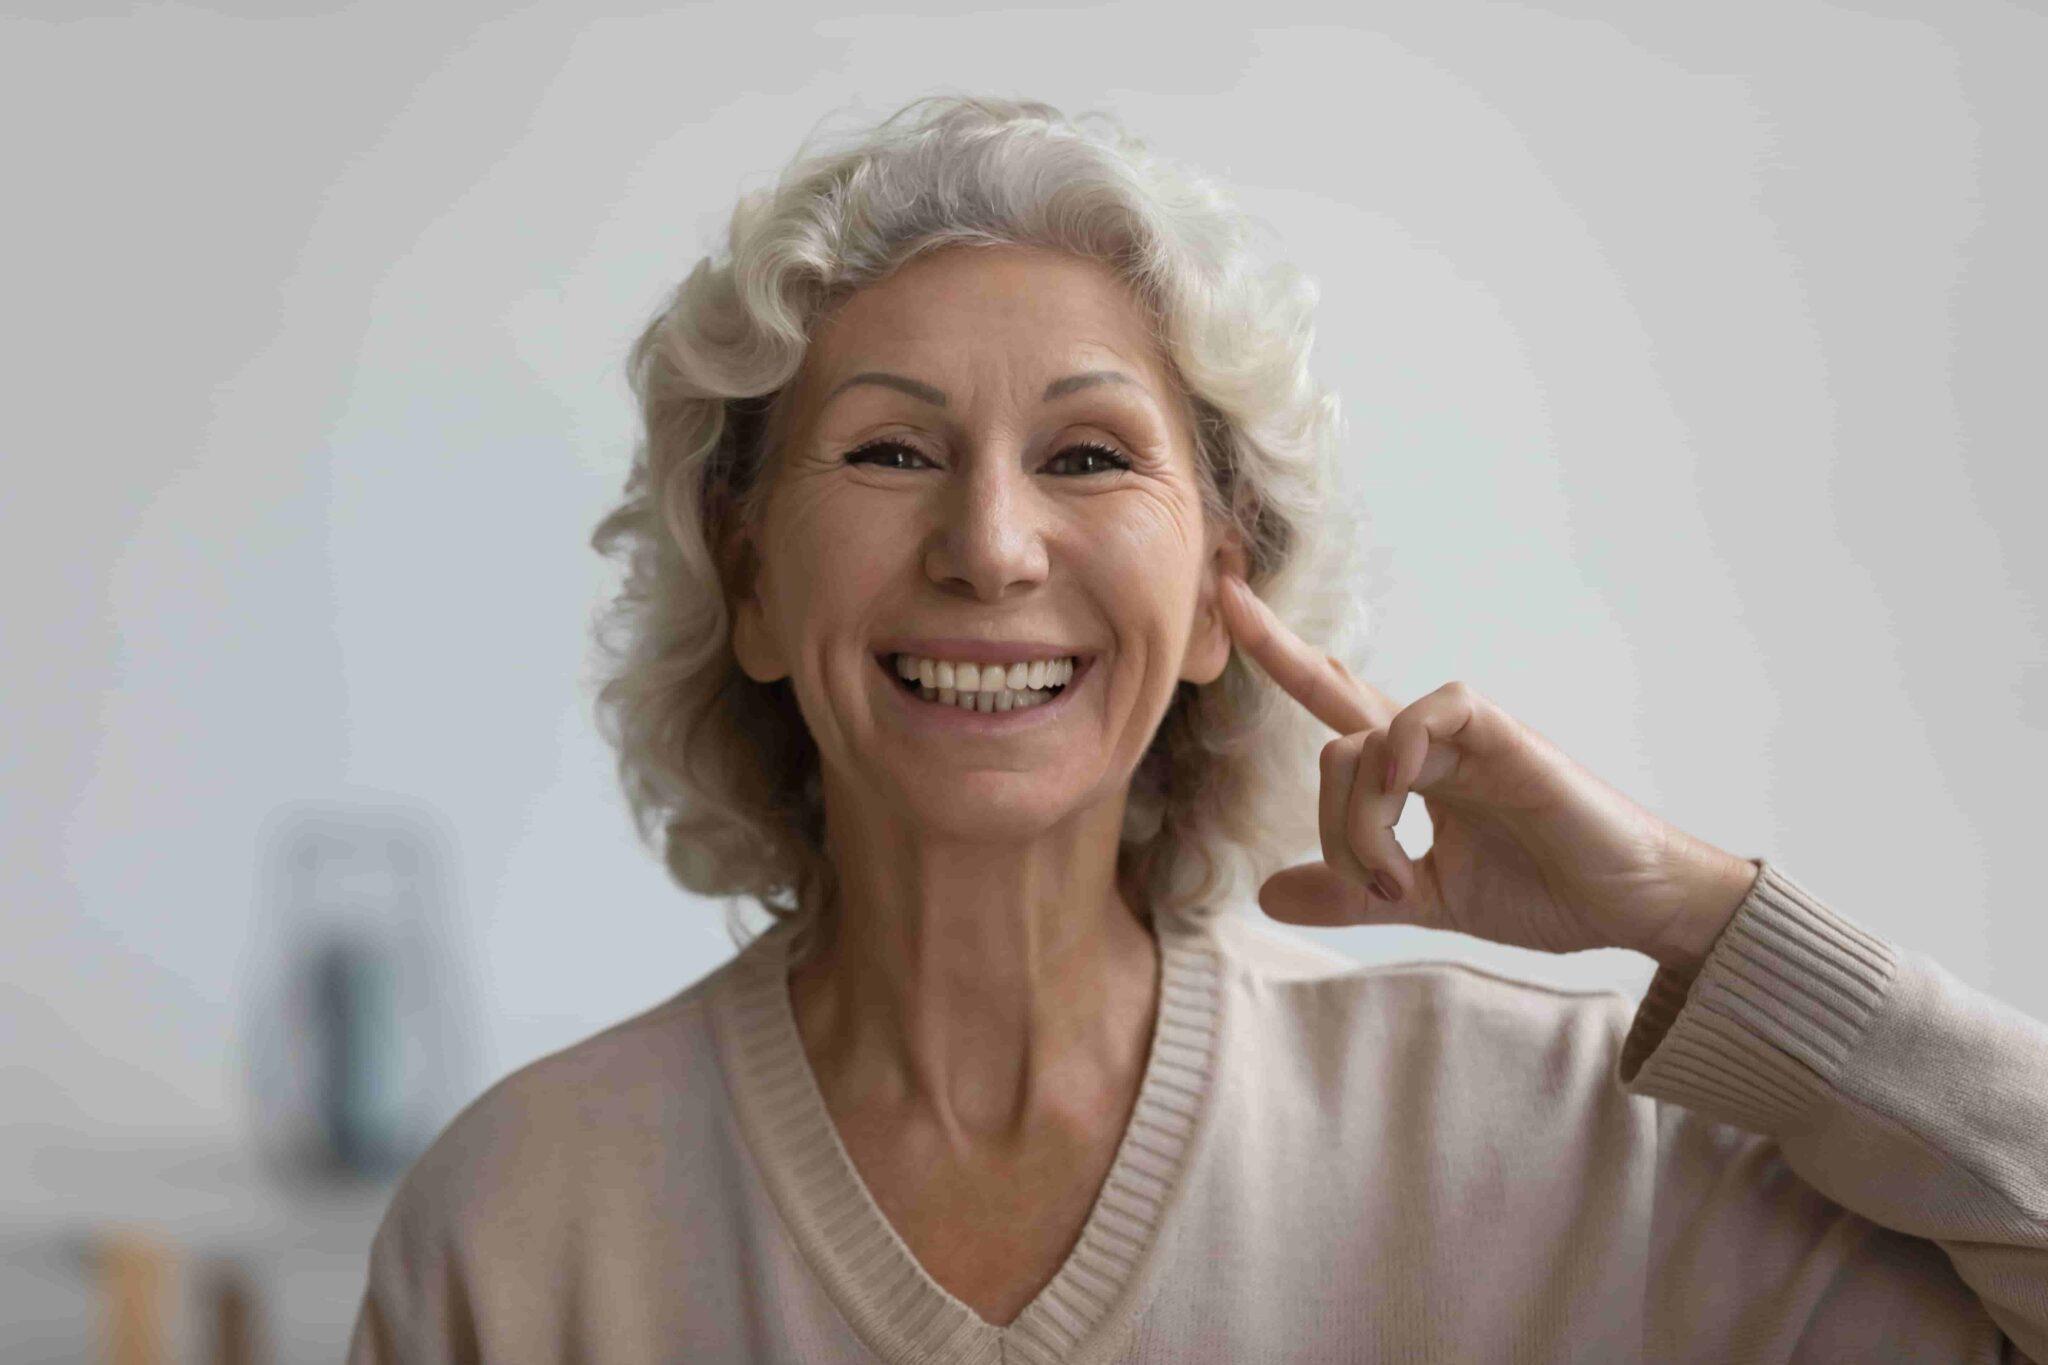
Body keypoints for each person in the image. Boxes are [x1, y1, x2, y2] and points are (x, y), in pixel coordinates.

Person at [346, 94, 2048, 1363]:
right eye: (887, 450)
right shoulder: (520, 1226)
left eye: (1089, 456)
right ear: (753, 580)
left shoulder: (1538, 1146)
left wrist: (1702, 918)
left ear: (1227, 580)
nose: (991, 545)